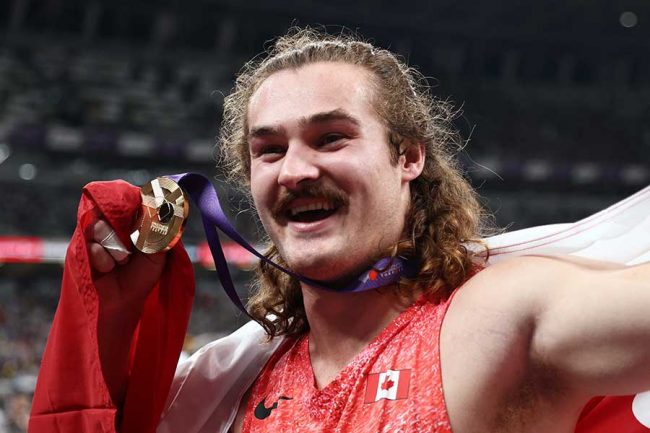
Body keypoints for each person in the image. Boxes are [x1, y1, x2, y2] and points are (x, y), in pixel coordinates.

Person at [30, 28, 650, 433]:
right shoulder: (224, 387)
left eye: (331, 138)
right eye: (269, 150)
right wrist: (115, 316)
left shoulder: (497, 321)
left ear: (408, 156)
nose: (296, 170)